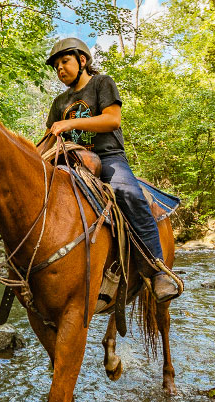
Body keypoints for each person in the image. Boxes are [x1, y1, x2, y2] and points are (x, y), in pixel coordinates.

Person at [43, 37, 179, 303]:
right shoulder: (59, 102)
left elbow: (112, 119)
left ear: (82, 61)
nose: (60, 69)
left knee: (128, 194)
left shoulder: (101, 83)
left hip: (108, 158)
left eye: (65, 61)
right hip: (69, 161)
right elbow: (49, 136)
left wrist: (69, 126)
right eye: (56, 65)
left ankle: (157, 271)